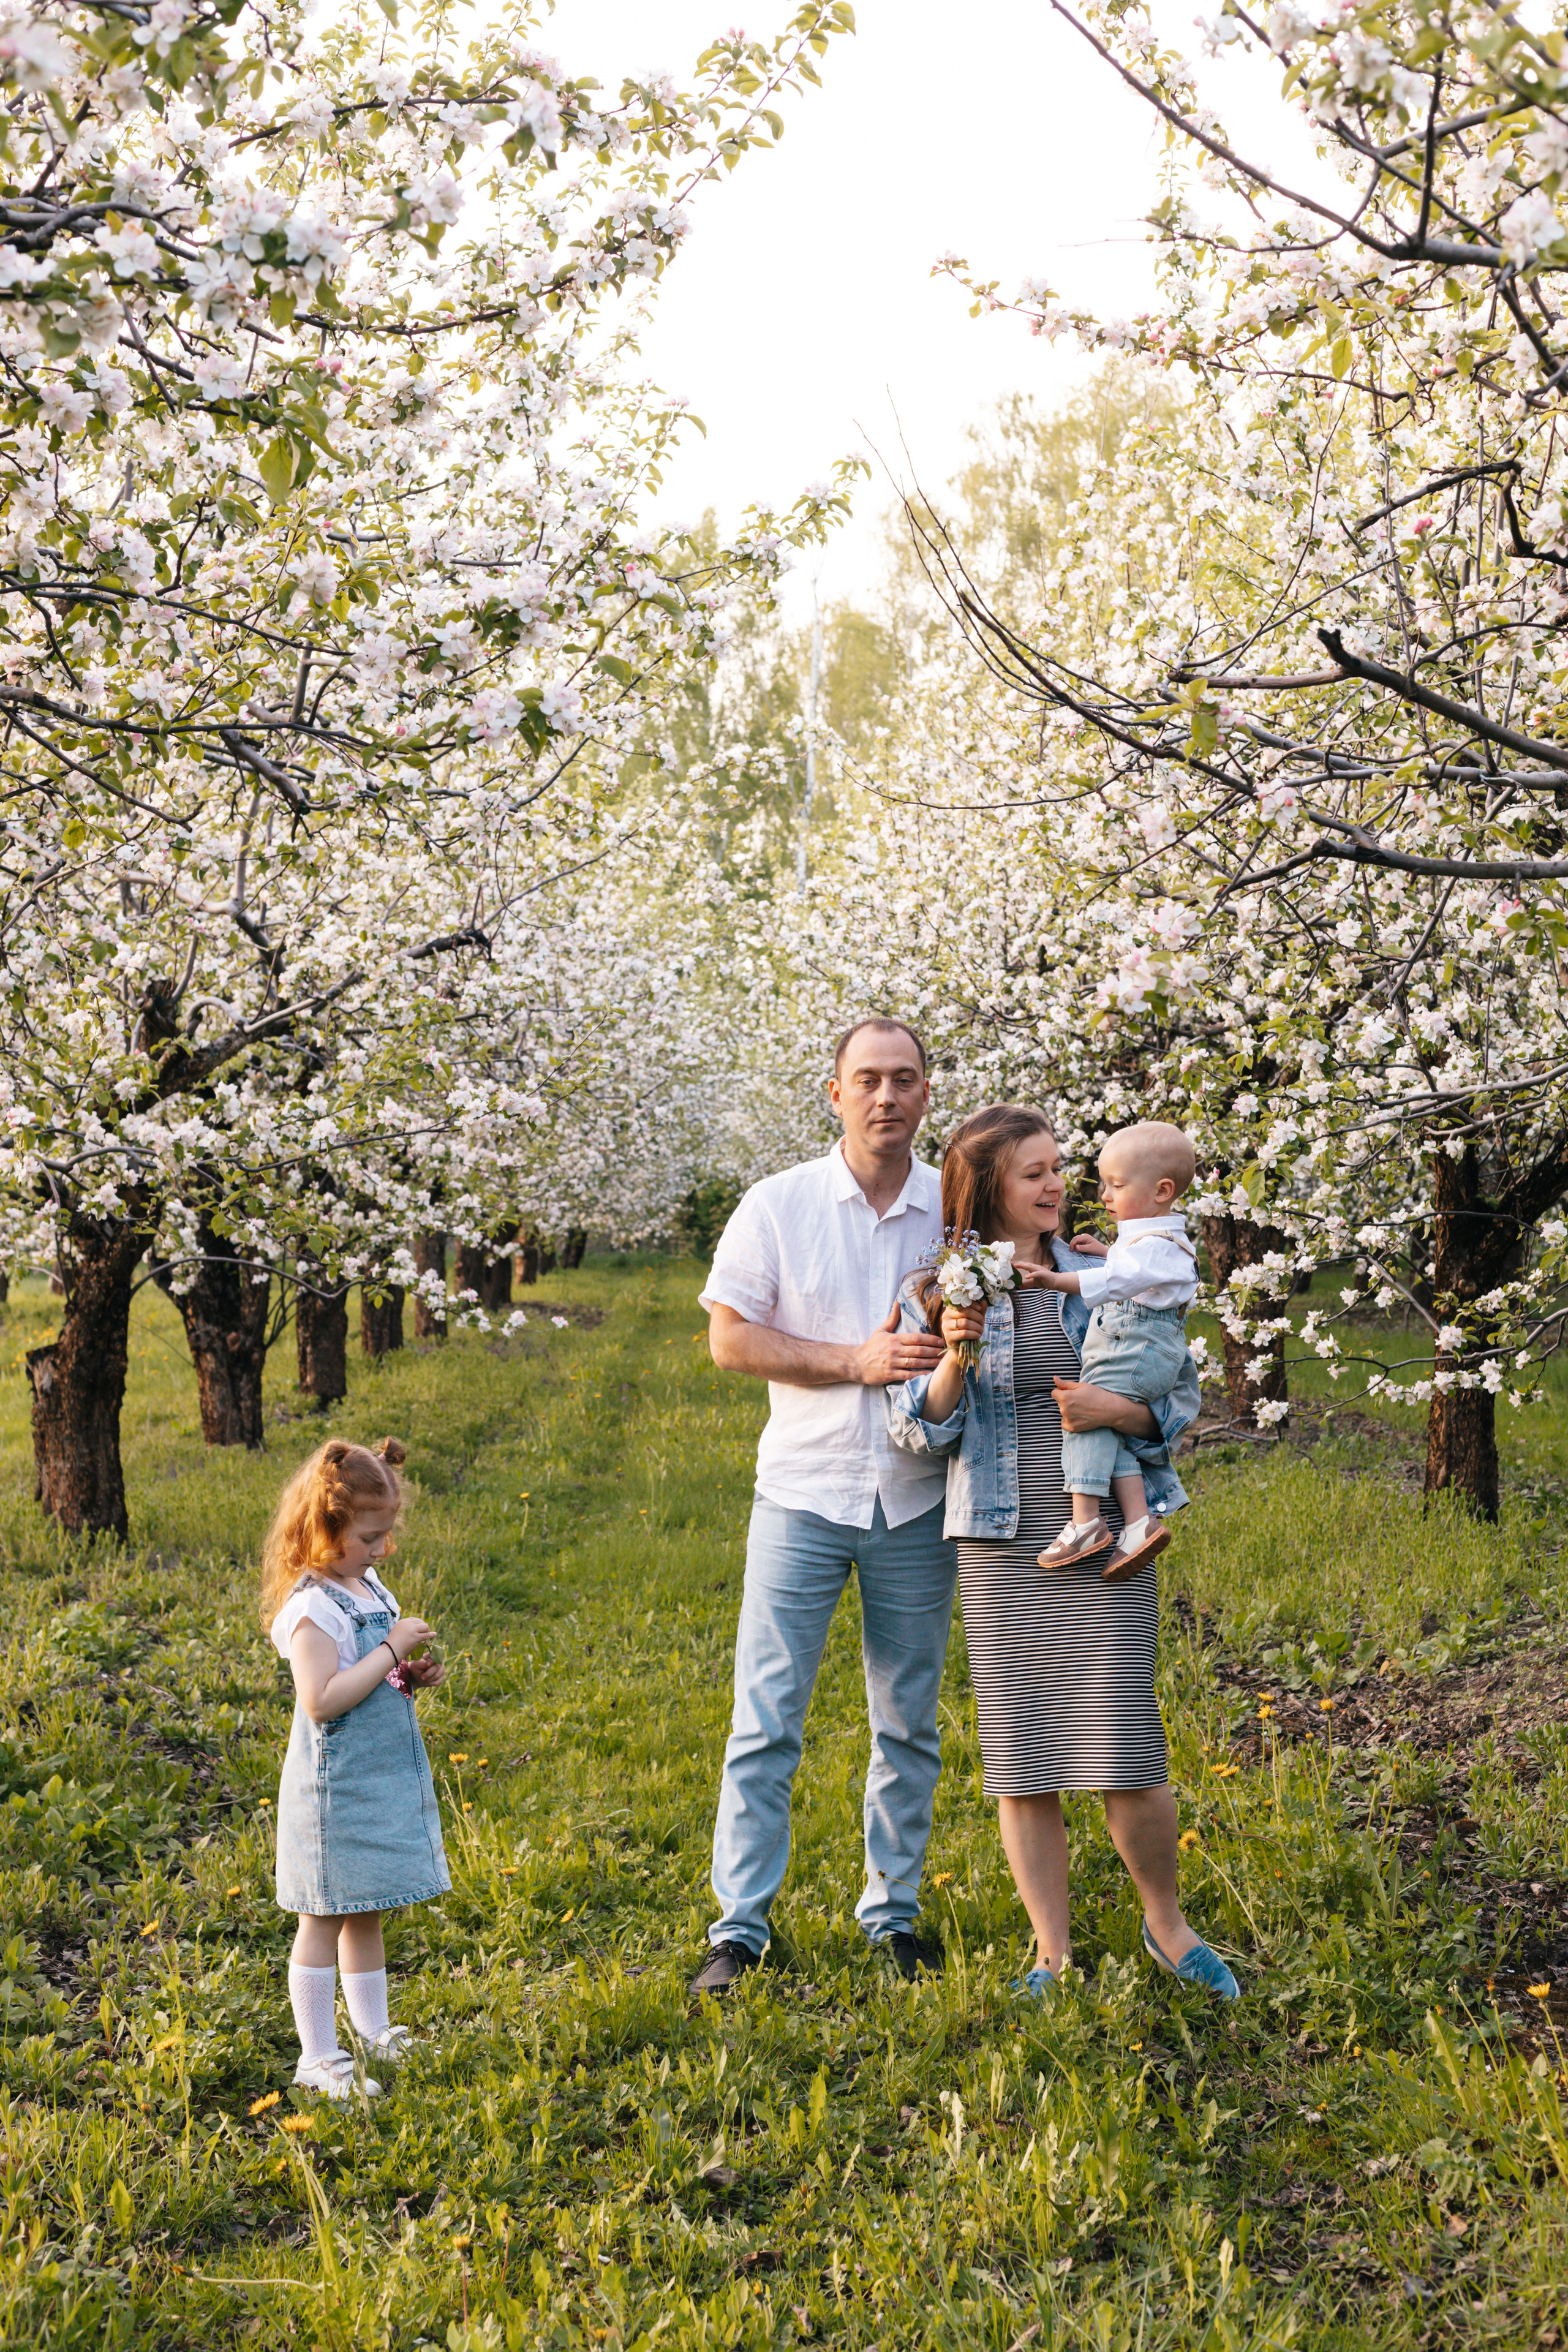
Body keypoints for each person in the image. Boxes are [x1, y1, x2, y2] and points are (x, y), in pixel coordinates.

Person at [886, 1104, 1238, 2000]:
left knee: (1124, 1739)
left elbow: (1178, 1400)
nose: (1055, 1185)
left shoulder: (1106, 1265)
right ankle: (1054, 1951)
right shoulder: (937, 1289)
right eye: (1034, 1172)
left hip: (1111, 1535)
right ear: (989, 1187)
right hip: (1006, 1539)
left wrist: (1115, 1413)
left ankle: (1167, 1924)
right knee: (1025, 1755)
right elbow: (919, 1437)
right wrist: (953, 1359)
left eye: (1057, 1168)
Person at [691, 1015, 954, 1994]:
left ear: (928, 1095)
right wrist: (856, 1361)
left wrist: (1101, 1245)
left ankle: (892, 1917)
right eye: (868, 1079)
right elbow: (731, 1341)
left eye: (906, 1079)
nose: (887, 1096)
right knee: (766, 1720)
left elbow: (1043, 1249)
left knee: (908, 1722)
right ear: (835, 1093)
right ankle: (740, 1928)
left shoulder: (955, 1210)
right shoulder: (778, 1204)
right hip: (802, 1495)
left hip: (918, 1501)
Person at [263, 1436, 450, 2097]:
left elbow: (374, 1678)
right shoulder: (312, 1609)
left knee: (367, 1908)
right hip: (333, 1792)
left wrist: (411, 1673)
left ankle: (374, 2033)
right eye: (369, 1537)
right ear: (323, 1528)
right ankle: (317, 2056)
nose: (380, 1551)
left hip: (374, 1782)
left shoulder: (366, 1586)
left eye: (385, 1536)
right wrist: (391, 1650)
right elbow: (322, 1701)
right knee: (322, 1918)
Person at [1030, 1120, 1199, 1580]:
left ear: (1163, 1190)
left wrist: (1054, 1279)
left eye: (1117, 1185)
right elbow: (1139, 1273)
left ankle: (1085, 1521)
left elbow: (1119, 1283)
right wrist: (1108, 1251)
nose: (1104, 1194)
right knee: (1109, 1425)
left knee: (1084, 1417)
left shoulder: (1161, 1246)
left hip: (1136, 1349)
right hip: (1137, 1346)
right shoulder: (1152, 1242)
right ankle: (1138, 1521)